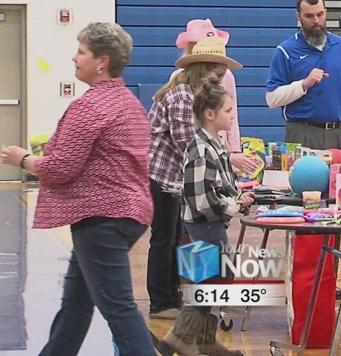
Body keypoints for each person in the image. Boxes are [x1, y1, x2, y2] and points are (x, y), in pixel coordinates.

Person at [1, 22, 155, 355]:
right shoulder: (127, 103)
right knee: (76, 306)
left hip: (103, 219)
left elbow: (58, 169)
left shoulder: (91, 106)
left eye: (81, 51)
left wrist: (23, 158)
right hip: (124, 215)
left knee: (119, 310)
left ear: (102, 61)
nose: (74, 58)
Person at [147, 36, 242, 320]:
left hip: (177, 179)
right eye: (217, 74)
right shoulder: (181, 97)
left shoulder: (193, 96)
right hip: (161, 177)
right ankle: (161, 302)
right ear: (202, 69)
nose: (220, 81)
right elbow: (188, 143)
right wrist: (227, 160)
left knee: (176, 237)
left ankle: (174, 295)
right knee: (164, 238)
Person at [159, 80, 253, 356]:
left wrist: (238, 199)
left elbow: (219, 187)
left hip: (211, 222)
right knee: (211, 279)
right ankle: (181, 337)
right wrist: (232, 206)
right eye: (227, 110)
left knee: (219, 277)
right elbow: (201, 199)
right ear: (210, 114)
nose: (232, 115)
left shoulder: (215, 145)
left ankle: (203, 338)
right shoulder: (200, 149)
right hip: (203, 224)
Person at [266, 0, 341, 150]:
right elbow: (272, 99)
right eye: (309, 16)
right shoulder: (285, 51)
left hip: (339, 133)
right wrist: (304, 84)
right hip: (302, 132)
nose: (316, 21)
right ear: (298, 16)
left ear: (326, 12)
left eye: (320, 14)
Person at [174, 18, 259, 175]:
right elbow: (186, 140)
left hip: (218, 147)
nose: (219, 79)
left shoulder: (227, 76)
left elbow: (231, 113)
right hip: (197, 156)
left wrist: (234, 151)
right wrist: (226, 157)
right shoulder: (180, 87)